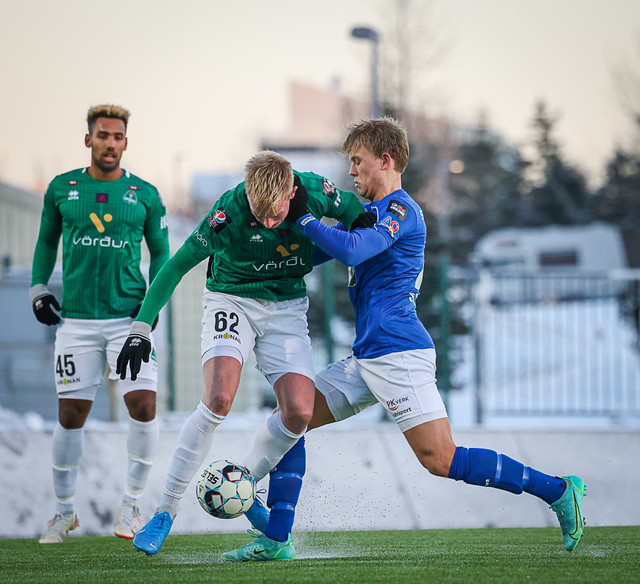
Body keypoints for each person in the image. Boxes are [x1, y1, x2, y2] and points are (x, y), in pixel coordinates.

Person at [221, 117, 587, 562]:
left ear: (385, 160)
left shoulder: (401, 210)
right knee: (291, 419)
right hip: (368, 358)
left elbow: (351, 249)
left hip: (399, 353)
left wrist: (306, 217)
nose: (352, 171)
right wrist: (260, 248)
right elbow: (315, 253)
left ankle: (558, 491)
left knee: (442, 460)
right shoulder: (368, 216)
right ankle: (277, 538)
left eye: (357, 160)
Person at [116, 150, 370, 556]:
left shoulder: (316, 190)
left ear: (291, 192)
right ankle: (165, 511)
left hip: (287, 307)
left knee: (299, 413)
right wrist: (140, 328)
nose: (268, 223)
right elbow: (176, 267)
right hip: (231, 299)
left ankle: (243, 486)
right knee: (219, 398)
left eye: (276, 214)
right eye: (259, 213)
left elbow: (354, 208)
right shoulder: (228, 213)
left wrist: (360, 231)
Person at [31, 104, 170, 544]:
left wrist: (149, 309)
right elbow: (46, 241)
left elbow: (162, 254)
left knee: (143, 405)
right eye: (103, 135)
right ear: (88, 139)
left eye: (118, 136)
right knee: (71, 414)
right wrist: (37, 287)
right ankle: (63, 512)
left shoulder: (145, 194)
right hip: (76, 321)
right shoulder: (62, 188)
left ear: (126, 142)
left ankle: (131, 506)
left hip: (128, 320)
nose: (110, 143)